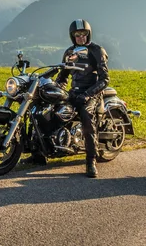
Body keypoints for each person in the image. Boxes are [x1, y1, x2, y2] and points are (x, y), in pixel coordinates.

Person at [56, 19, 109, 178]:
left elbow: (104, 79)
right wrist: (56, 87)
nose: (81, 37)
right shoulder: (69, 52)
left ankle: (91, 160)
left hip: (92, 92)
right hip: (74, 92)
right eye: (77, 35)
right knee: (52, 110)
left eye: (83, 34)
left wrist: (87, 95)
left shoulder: (97, 50)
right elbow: (63, 76)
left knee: (86, 114)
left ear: (88, 34)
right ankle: (40, 154)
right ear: (73, 36)